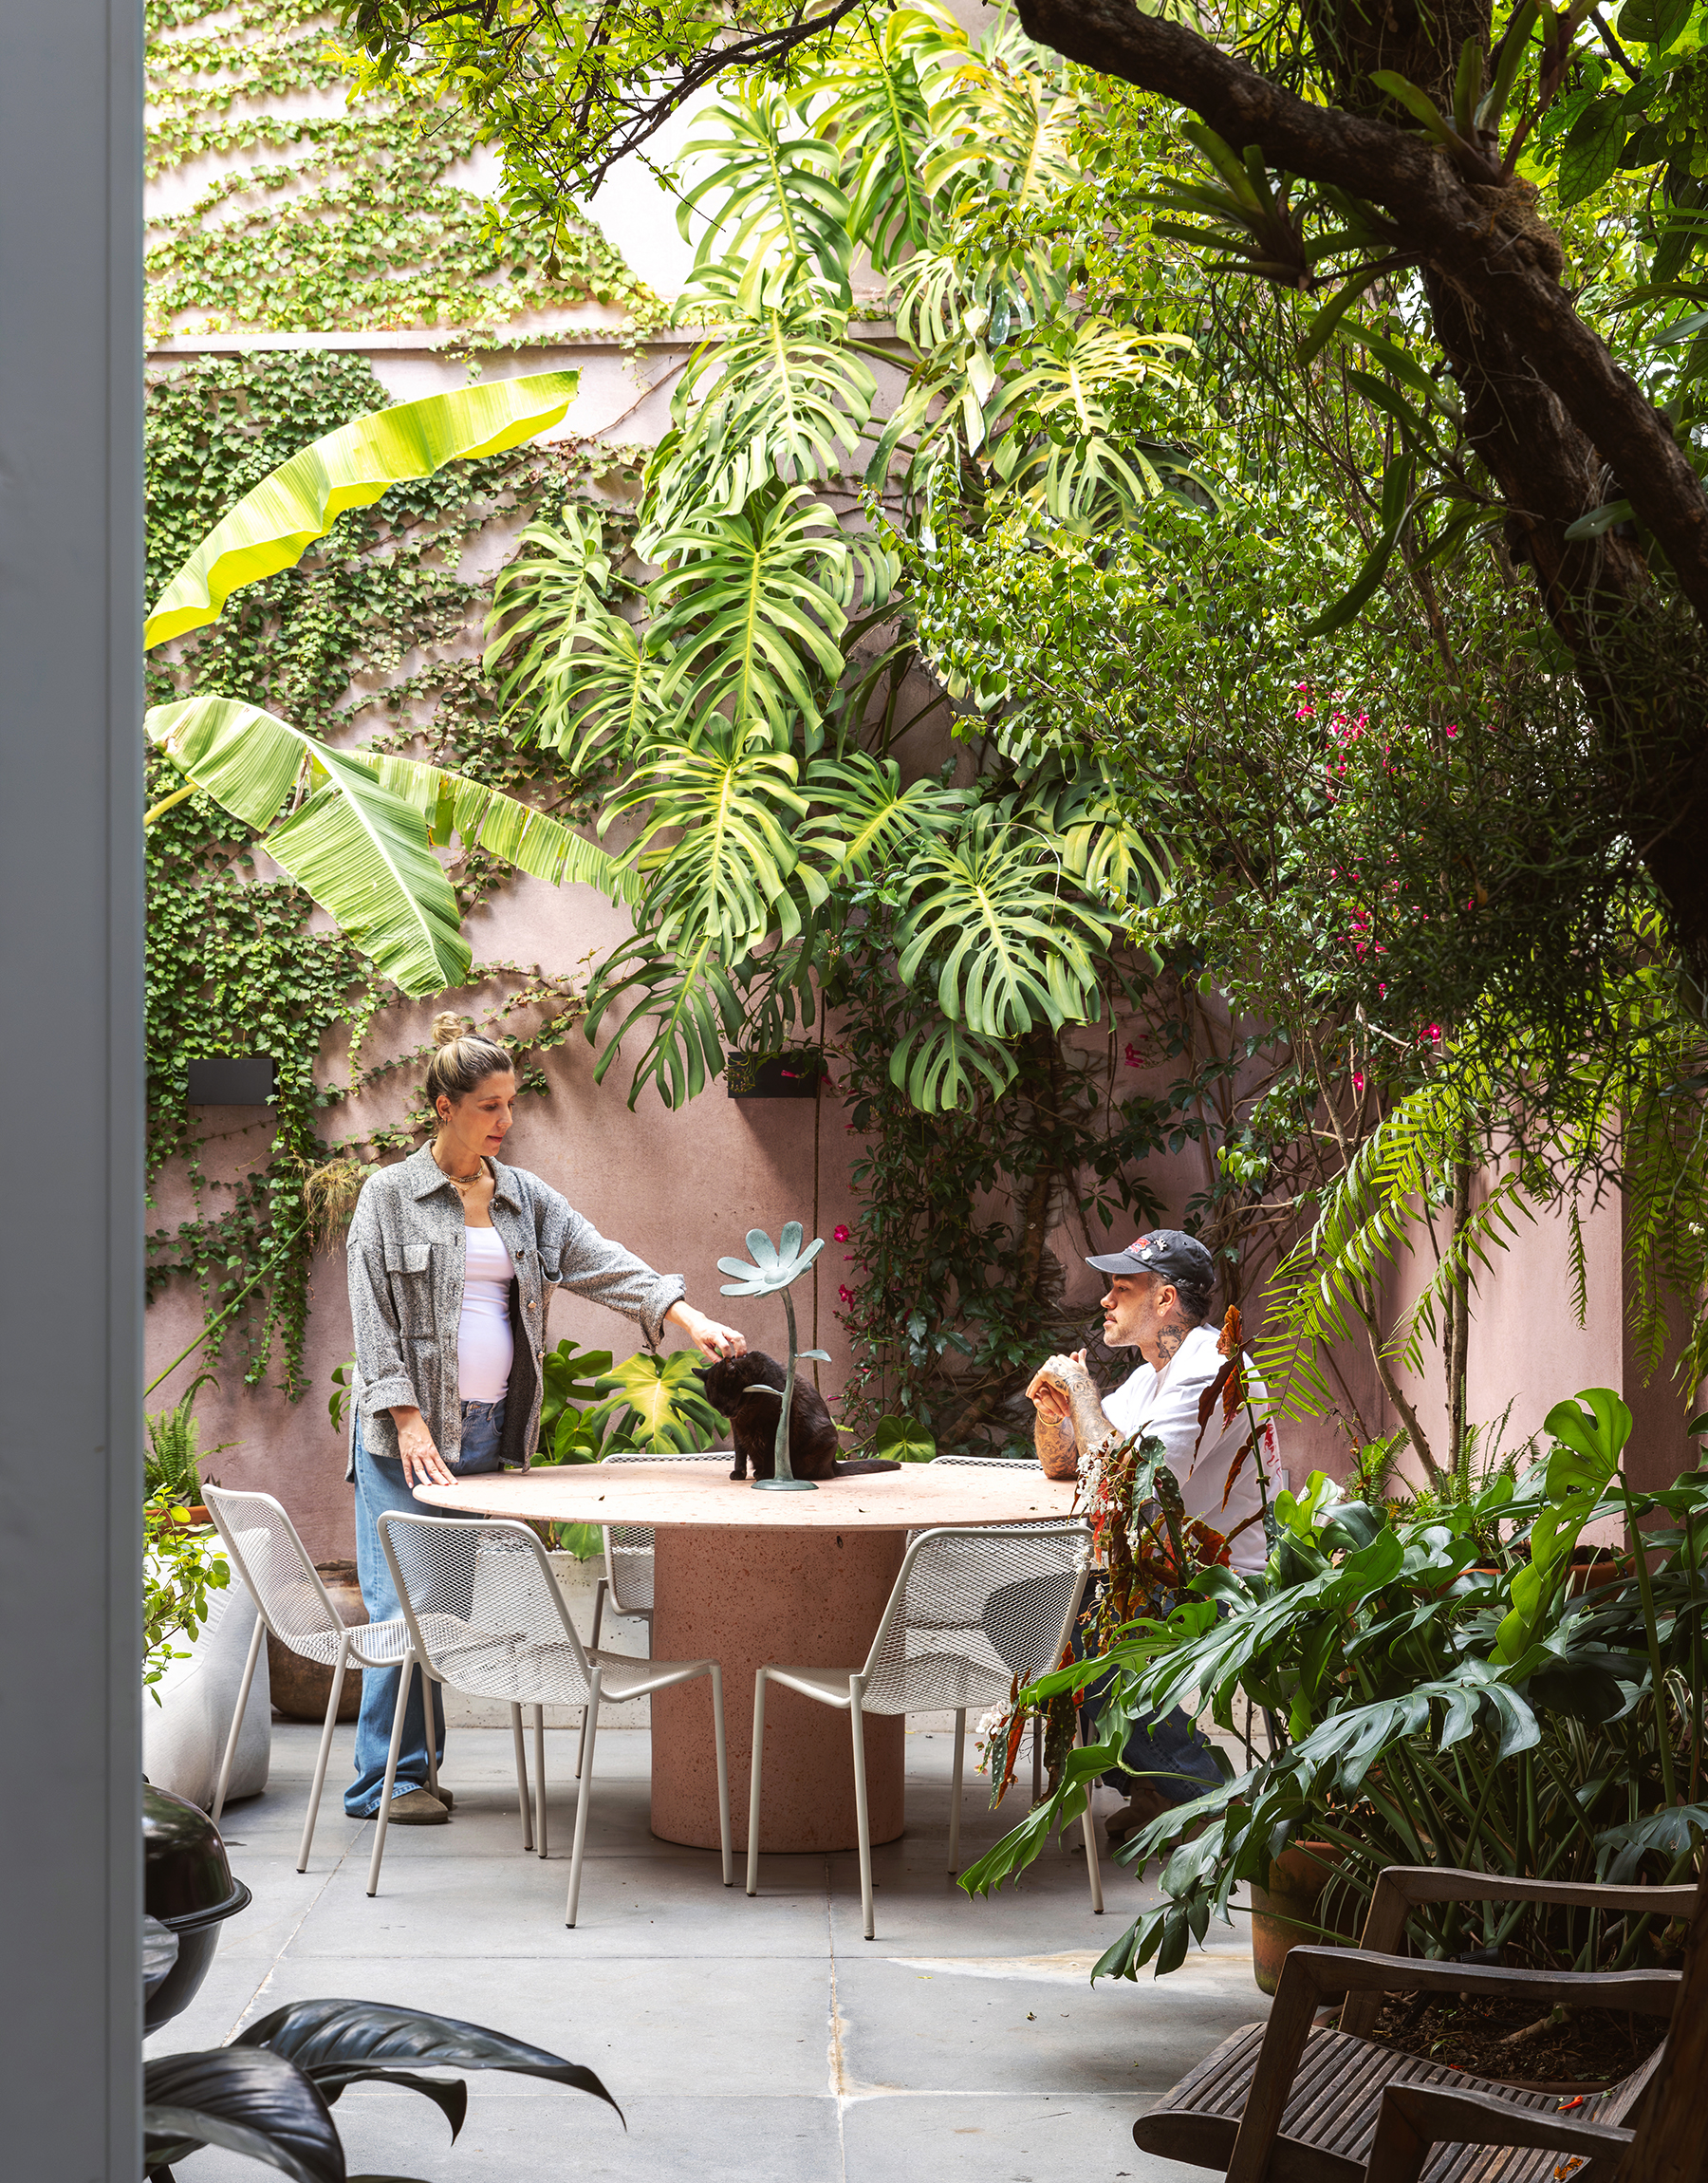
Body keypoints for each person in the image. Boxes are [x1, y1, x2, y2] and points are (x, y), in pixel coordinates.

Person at [342, 1014, 747, 1825]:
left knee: (446, 1612)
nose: (505, 1121)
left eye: (510, 1104)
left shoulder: (523, 1198)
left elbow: (601, 1258)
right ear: (444, 1107)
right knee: (403, 1610)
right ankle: (383, 1784)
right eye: (489, 1106)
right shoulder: (388, 1196)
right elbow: (373, 1318)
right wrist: (408, 1419)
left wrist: (687, 1316)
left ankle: (415, 1772)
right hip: (408, 1438)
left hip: (490, 1433)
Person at [1026, 1228, 1277, 1844]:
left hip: (1224, 1583)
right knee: (1020, 1611)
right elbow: (1067, 1464)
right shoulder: (1148, 1379)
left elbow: (1131, 1483)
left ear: (1164, 1300)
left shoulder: (1213, 1369)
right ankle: (1152, 1781)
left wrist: (1083, 1393)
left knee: (1084, 1628)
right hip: (1155, 1573)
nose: (1105, 1301)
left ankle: (1196, 1790)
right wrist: (1053, 1408)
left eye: (1120, 1289)